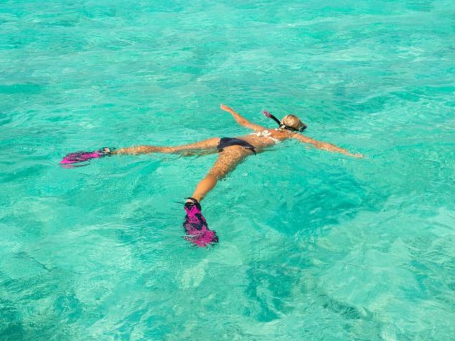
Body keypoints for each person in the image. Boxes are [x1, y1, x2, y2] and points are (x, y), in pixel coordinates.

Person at [60, 104, 362, 246]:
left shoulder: (266, 128)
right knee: (215, 175)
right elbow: (320, 144)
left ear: (281, 122)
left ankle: (109, 152)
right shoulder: (290, 137)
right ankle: (193, 203)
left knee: (169, 149)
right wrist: (349, 154)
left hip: (224, 139)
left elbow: (242, 120)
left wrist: (229, 110)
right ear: (295, 129)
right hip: (241, 148)